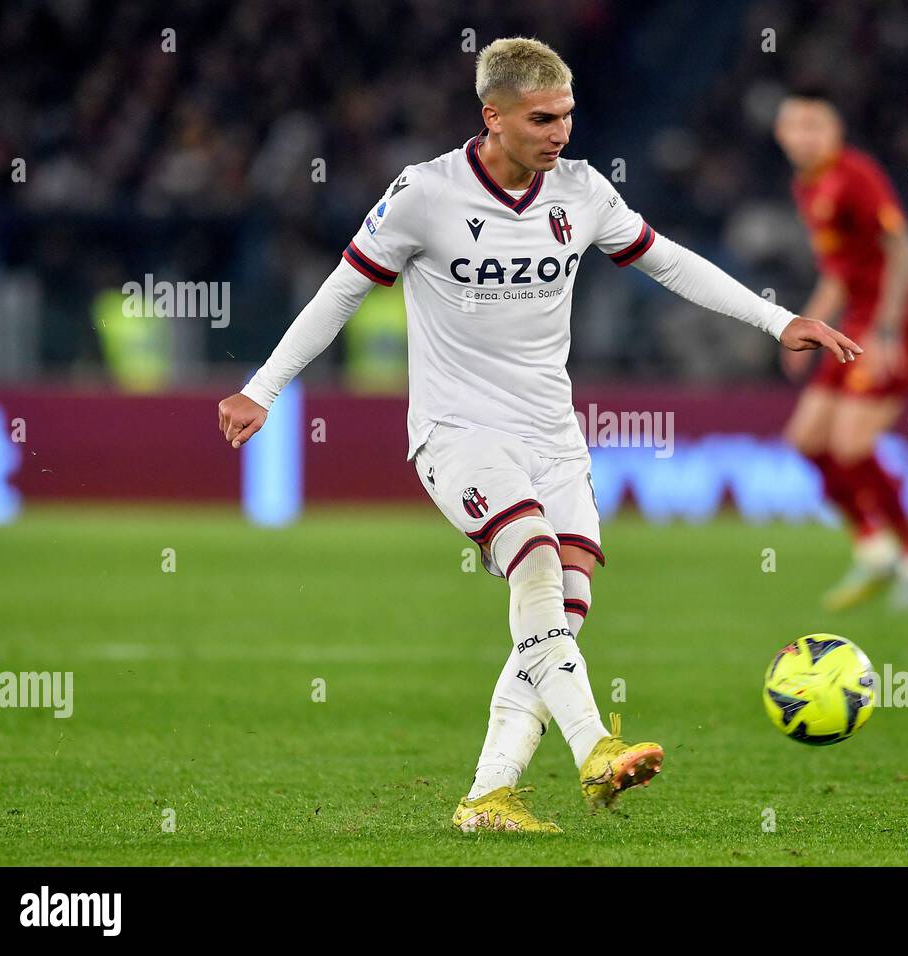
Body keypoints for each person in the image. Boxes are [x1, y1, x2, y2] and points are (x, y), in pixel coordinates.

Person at [218, 38, 861, 833]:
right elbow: (341, 291)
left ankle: (488, 797)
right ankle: (595, 750)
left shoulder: (582, 193)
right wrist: (262, 388)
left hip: (553, 437)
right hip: (458, 432)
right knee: (532, 561)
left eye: (568, 116)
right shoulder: (424, 194)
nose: (561, 132)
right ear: (493, 117)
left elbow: (668, 262)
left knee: (555, 617)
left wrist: (776, 318)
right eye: (542, 117)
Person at [773, 88, 908, 611]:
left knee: (850, 443)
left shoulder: (856, 174)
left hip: (898, 324)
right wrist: (802, 325)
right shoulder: (807, 186)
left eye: (814, 126)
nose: (804, 137)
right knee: (806, 438)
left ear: (836, 131)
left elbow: (905, 248)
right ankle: (874, 547)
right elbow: (840, 273)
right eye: (794, 126)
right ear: (781, 133)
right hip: (854, 325)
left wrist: (888, 330)